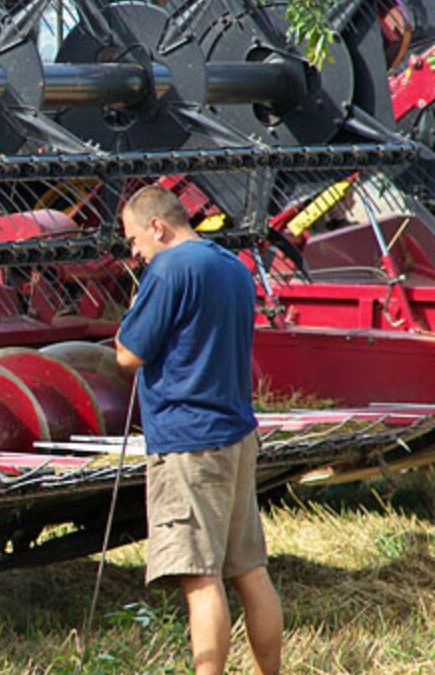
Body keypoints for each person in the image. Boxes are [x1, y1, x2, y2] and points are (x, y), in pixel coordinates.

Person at [114, 185, 284, 675]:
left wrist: (129, 310)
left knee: (200, 577)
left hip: (189, 441)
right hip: (236, 431)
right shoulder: (232, 266)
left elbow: (129, 354)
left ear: (157, 226)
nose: (134, 251)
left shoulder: (167, 270)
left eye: (134, 239)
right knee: (250, 570)